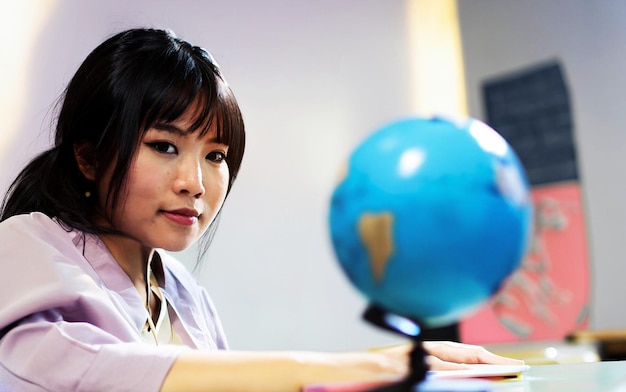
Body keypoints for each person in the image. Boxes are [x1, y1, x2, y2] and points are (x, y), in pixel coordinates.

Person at [0, 28, 523, 391]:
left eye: (216, 156)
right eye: (164, 146)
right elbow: (91, 375)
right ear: (89, 157)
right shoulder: (24, 247)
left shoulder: (182, 292)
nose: (195, 183)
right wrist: (363, 368)